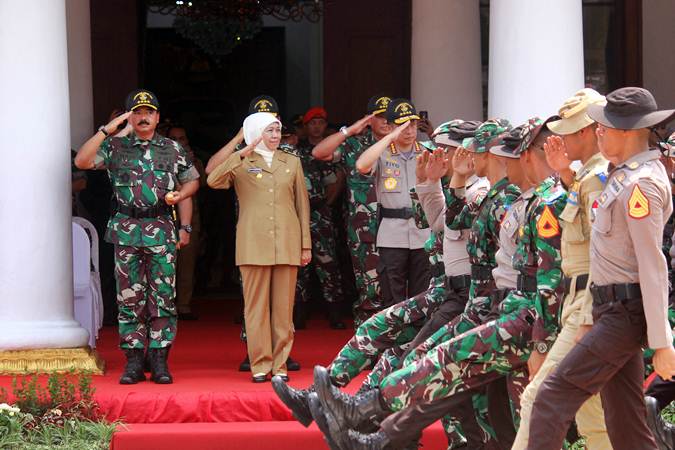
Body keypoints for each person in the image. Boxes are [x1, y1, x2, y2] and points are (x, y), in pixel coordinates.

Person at [307, 117, 569, 450]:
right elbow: (449, 226)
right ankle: (371, 423)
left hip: (507, 311)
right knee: (480, 395)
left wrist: (542, 342)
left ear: (524, 157)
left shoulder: (534, 200)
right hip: (494, 305)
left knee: (449, 370)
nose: (458, 158)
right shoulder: (519, 198)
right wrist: (448, 181)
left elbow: (548, 278)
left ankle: (368, 419)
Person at [527, 87, 675, 450]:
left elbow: (652, 265)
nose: (598, 133)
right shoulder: (622, 176)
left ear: (626, 132)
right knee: (625, 424)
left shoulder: (641, 184)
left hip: (624, 313)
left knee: (550, 399)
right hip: (610, 310)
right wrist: (593, 318)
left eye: (604, 128)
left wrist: (662, 343)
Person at [74, 89, 200, 385]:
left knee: (163, 298)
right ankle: (133, 360)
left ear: (158, 117)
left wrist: (185, 225)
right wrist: (110, 129)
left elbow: (192, 181)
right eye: (138, 112)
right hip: (127, 230)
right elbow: (82, 161)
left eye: (149, 112)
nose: (144, 117)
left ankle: (158, 358)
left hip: (162, 231)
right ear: (129, 116)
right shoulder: (115, 147)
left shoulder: (172, 148)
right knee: (129, 298)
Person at [511, 89, 612, 450]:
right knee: (592, 413)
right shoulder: (585, 177)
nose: (561, 140)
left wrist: (586, 317)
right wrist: (567, 178)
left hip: (588, 302)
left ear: (586, 131)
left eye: (568, 132)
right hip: (579, 300)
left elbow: (604, 253)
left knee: (538, 398)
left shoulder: (598, 178)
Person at [207, 112, 311, 383]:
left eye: (277, 131)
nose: (275, 136)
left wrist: (305, 245)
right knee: (255, 309)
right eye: (269, 131)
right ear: (255, 133)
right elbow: (213, 180)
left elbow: (302, 205)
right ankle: (260, 365)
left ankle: (280, 365)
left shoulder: (292, 162)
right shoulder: (241, 162)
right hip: (253, 243)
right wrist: (240, 153)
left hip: (287, 242)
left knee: (283, 310)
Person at [312, 95, 392, 326]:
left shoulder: (403, 144)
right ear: (369, 120)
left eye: (390, 116)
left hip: (402, 229)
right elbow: (319, 153)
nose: (386, 121)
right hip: (365, 232)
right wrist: (349, 131)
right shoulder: (354, 145)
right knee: (370, 291)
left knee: (400, 289)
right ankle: (367, 344)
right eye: (380, 117)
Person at [356, 99, 431, 306]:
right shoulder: (382, 153)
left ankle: (416, 338)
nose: (409, 131)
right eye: (402, 125)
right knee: (392, 296)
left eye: (413, 125)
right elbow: (362, 165)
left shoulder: (427, 151)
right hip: (392, 234)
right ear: (390, 127)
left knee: (422, 296)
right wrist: (389, 138)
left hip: (423, 233)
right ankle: (395, 337)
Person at [295, 106, 346, 329]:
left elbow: (338, 180)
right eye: (312, 123)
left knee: (328, 263)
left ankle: (335, 313)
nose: (317, 127)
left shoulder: (332, 151)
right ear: (306, 126)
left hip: (322, 212)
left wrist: (325, 204)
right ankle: (299, 313)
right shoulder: (297, 151)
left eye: (321, 122)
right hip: (298, 215)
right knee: (299, 265)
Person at [168, 125, 207, 321]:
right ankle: (166, 305)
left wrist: (191, 162)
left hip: (190, 218)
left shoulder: (193, 160)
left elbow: (206, 181)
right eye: (173, 138)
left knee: (187, 264)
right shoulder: (162, 155)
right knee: (166, 266)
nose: (178, 141)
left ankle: (183, 304)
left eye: (181, 138)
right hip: (163, 219)